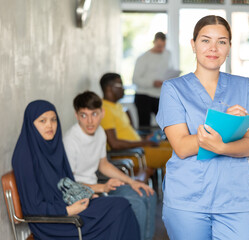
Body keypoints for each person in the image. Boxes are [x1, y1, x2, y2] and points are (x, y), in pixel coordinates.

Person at [156, 15, 249, 240]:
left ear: (229, 47)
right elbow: (183, 147)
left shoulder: (244, 86)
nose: (213, 48)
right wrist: (226, 124)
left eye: (222, 42)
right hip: (187, 198)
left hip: (234, 199)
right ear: (193, 44)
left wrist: (219, 146)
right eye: (205, 40)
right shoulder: (173, 89)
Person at [12, 100, 140, 240]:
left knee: (121, 205)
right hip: (53, 222)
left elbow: (67, 183)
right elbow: (33, 207)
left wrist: (85, 194)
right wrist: (68, 210)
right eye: (42, 121)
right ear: (31, 124)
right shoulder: (24, 157)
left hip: (68, 206)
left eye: (53, 120)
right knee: (118, 211)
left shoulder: (53, 147)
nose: (50, 125)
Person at [63, 91, 157, 240]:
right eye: (83, 115)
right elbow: (69, 183)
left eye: (94, 114)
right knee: (136, 202)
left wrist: (132, 182)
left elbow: (103, 164)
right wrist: (102, 188)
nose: (89, 121)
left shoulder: (100, 132)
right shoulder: (70, 140)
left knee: (147, 193)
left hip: (98, 186)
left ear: (102, 113)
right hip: (82, 194)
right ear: (76, 116)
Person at [99, 72, 172, 171]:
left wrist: (144, 138)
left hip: (139, 148)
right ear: (109, 88)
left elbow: (128, 134)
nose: (123, 88)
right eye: (120, 84)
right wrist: (144, 142)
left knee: (174, 145)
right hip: (130, 154)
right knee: (175, 154)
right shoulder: (105, 109)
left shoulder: (117, 106)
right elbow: (115, 144)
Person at [132, 32, 174, 128]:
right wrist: (152, 83)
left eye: (163, 46)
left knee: (167, 123)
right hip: (143, 95)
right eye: (159, 46)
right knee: (144, 125)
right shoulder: (143, 58)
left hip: (160, 95)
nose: (161, 49)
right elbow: (135, 79)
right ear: (154, 42)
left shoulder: (168, 54)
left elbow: (169, 71)